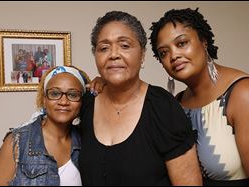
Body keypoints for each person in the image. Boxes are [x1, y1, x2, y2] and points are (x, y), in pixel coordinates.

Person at [78, 10, 202, 186]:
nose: (114, 54)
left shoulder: (162, 107)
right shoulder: (86, 103)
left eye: (125, 45)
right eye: (104, 48)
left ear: (142, 55)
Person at [149, 8, 249, 186]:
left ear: (204, 41)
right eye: (163, 52)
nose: (173, 55)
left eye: (182, 43)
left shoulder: (245, 94)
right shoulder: (177, 104)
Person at [0, 65, 89, 186]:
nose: (63, 102)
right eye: (54, 93)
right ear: (44, 99)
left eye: (73, 95)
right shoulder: (16, 143)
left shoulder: (87, 141)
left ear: (82, 101)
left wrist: (102, 84)